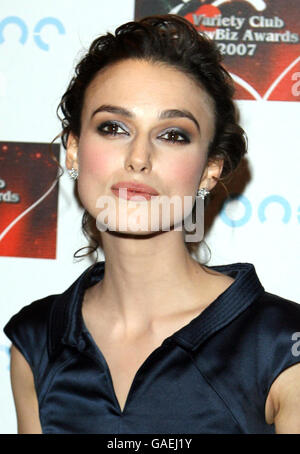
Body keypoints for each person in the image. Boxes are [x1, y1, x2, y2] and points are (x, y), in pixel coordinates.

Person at [3, 14, 300, 435]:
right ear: (72, 150)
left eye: (173, 134)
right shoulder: (37, 341)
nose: (138, 157)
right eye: (113, 127)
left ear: (210, 170)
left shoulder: (282, 346)